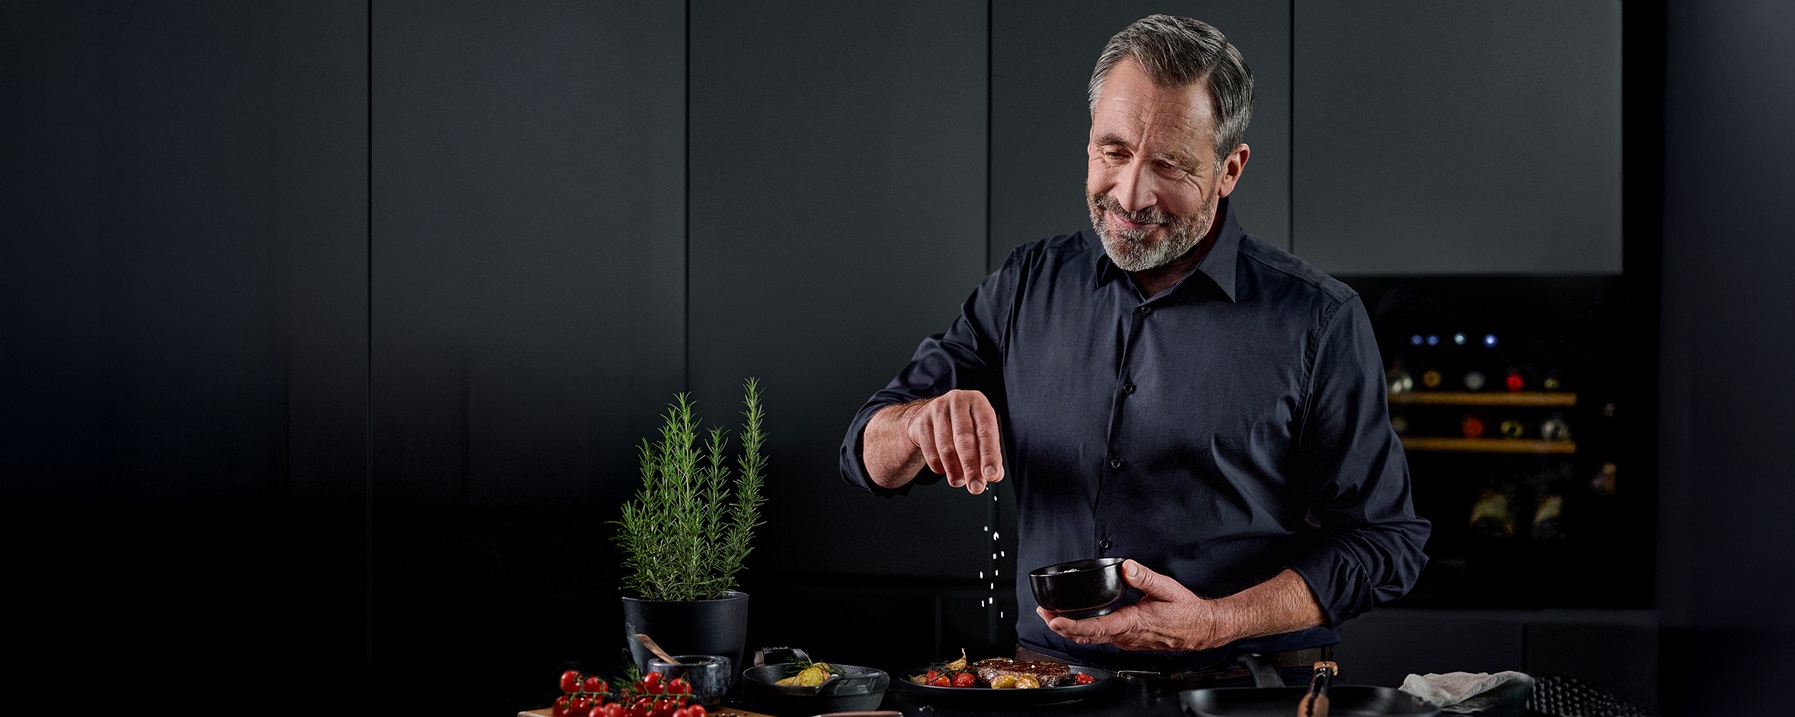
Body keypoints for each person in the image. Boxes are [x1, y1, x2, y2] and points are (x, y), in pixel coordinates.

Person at [838, 15, 1430, 681]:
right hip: (1043, 690)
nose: (1129, 195)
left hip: (1241, 695)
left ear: (1229, 168)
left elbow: (1385, 542)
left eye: (1168, 164)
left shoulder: (1318, 319)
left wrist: (1215, 620)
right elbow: (866, 455)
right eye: (1113, 153)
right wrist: (918, 423)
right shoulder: (1026, 284)